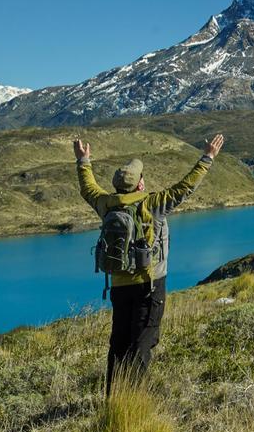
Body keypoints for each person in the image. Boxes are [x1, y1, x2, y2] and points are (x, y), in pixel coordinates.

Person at [74, 133, 225, 394]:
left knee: (118, 343)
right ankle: (134, 402)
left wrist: (83, 161)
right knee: (143, 342)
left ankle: (114, 397)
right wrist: (207, 158)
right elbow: (184, 188)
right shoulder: (152, 204)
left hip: (119, 285)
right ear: (140, 184)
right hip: (150, 285)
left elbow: (88, 188)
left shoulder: (107, 204)